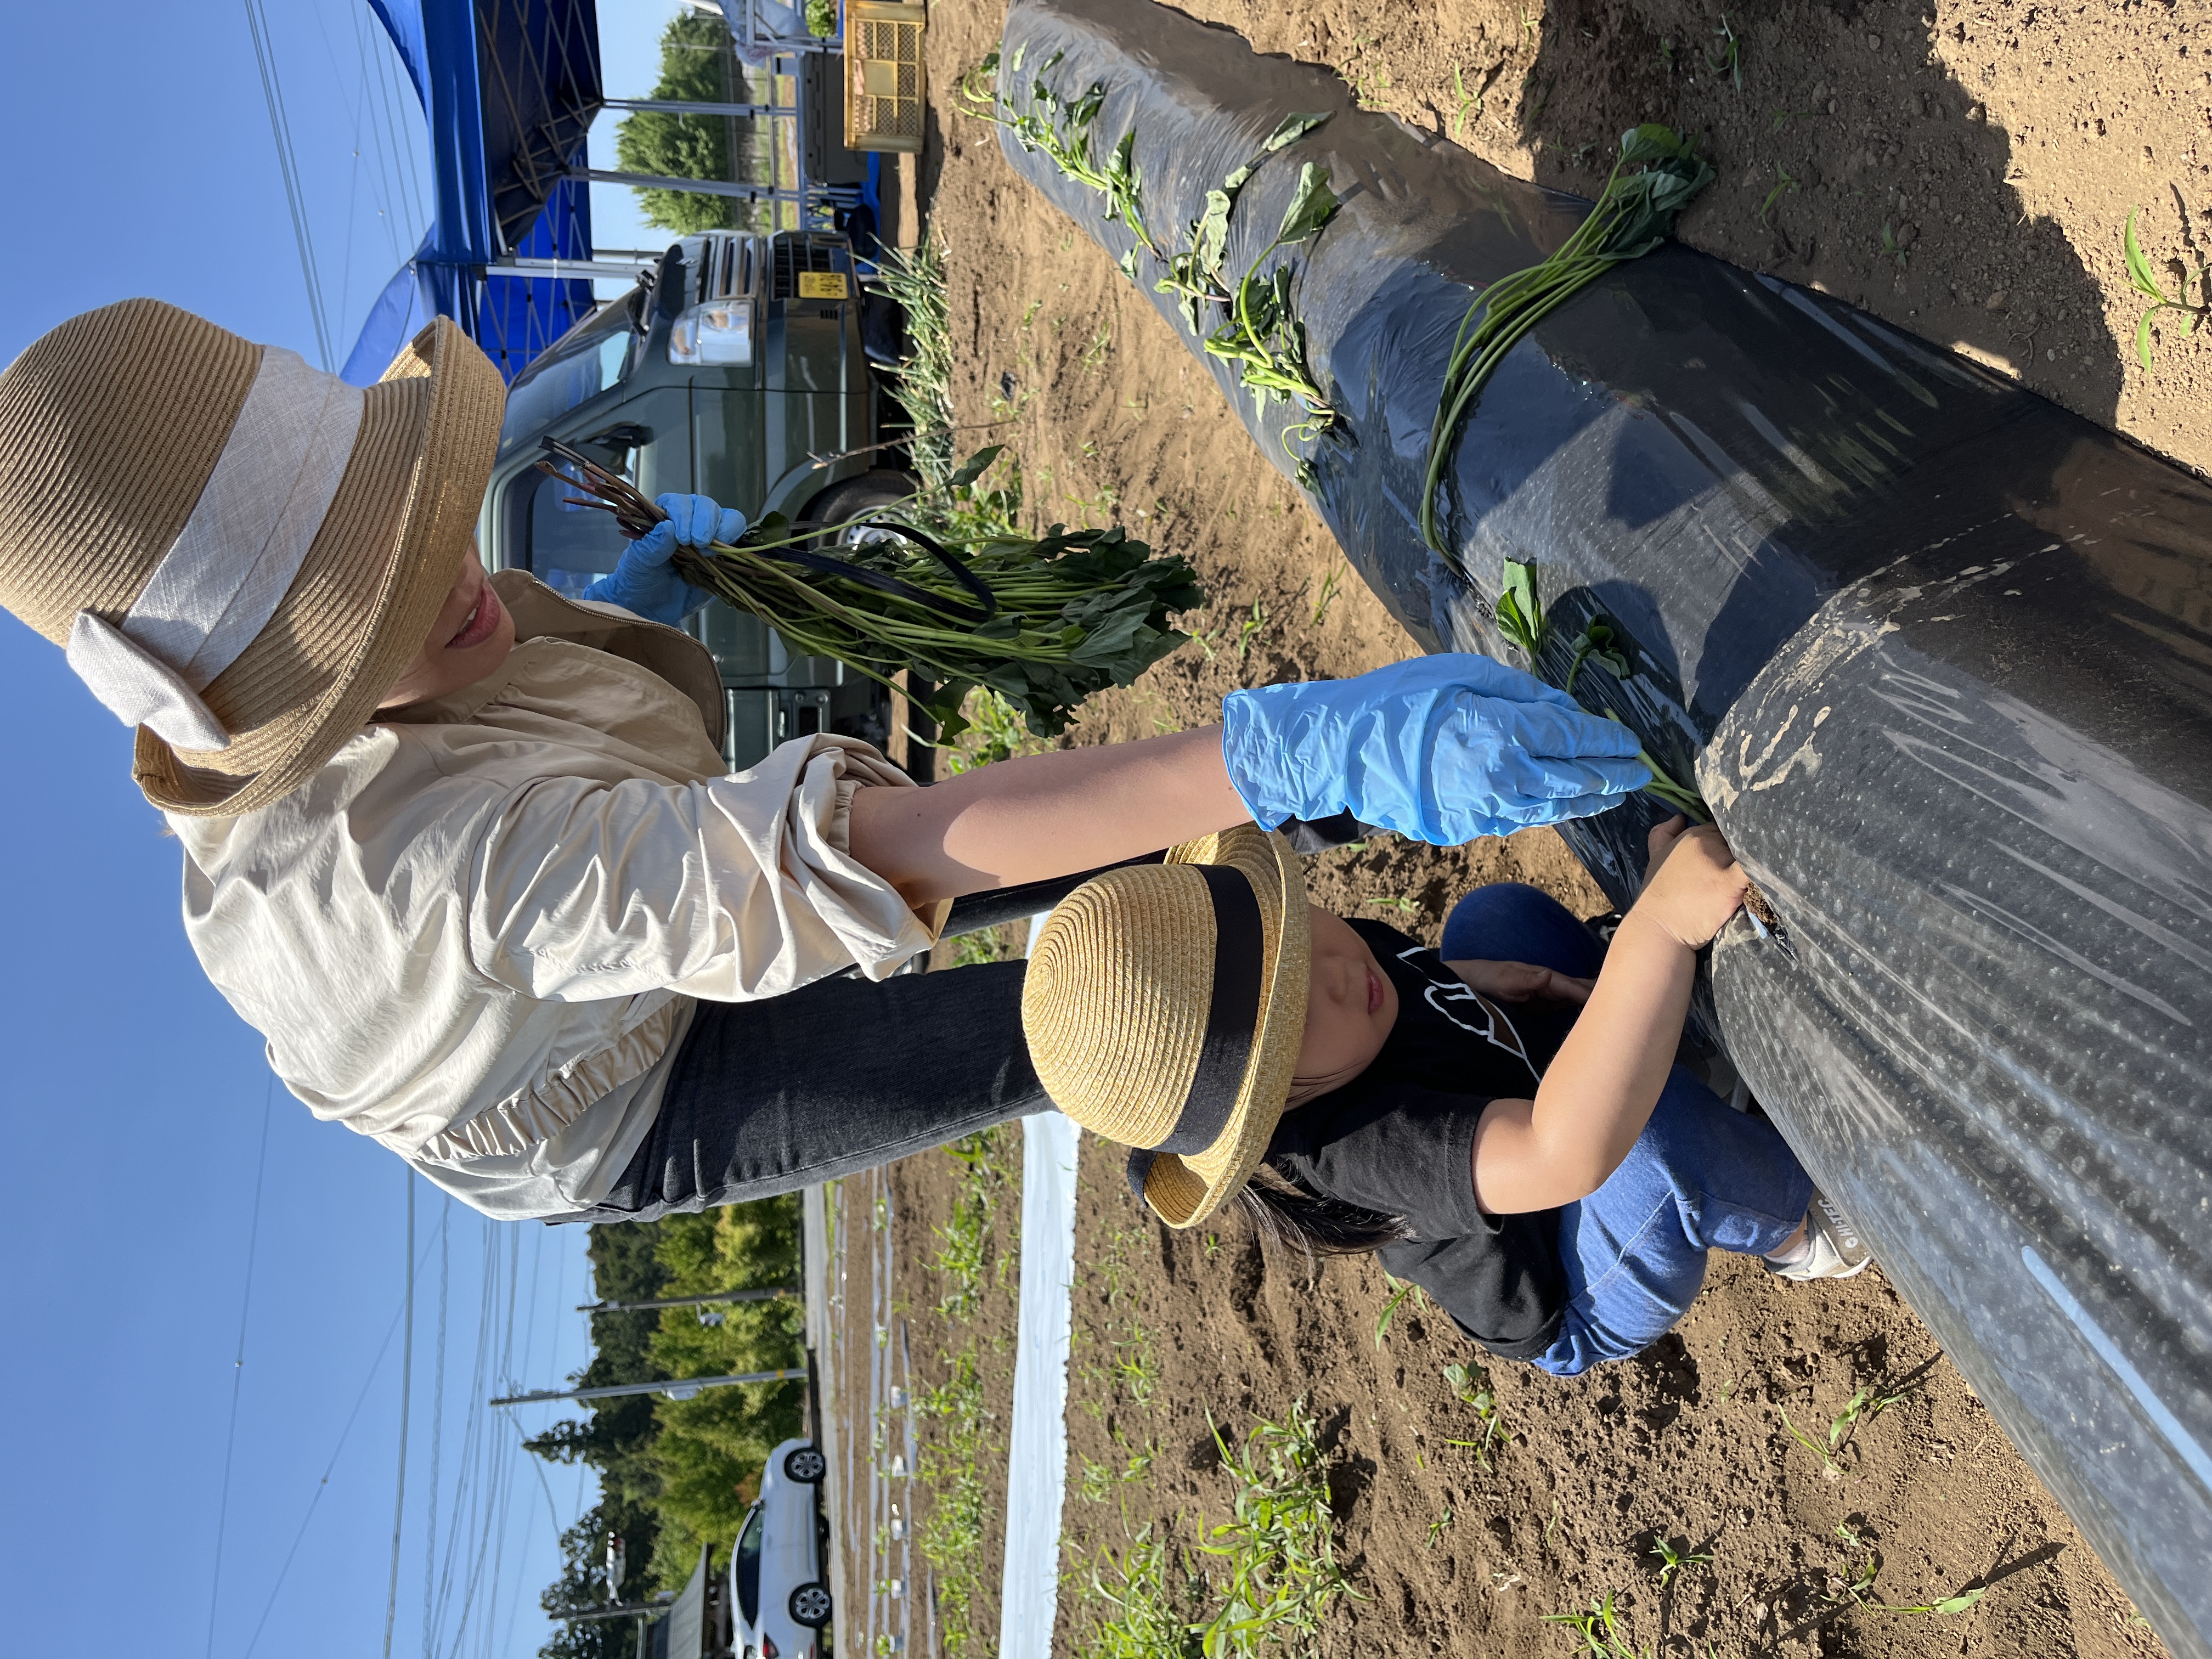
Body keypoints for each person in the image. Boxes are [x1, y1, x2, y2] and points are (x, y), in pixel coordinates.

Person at [0, 301, 1655, 1221]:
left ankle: (1483, 1004)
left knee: (1120, 861)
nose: (450, 569)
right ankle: (1512, 1171)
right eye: (376, 604)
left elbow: (556, 724)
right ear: (294, 700)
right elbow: (869, 857)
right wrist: (1292, 750)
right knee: (1107, 1024)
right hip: (614, 1101)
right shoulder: (412, 884)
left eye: (413, 512)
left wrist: (635, 606)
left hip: (588, 915)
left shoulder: (408, 653)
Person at [1019, 818, 1871, 1376]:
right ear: (1268, 1110)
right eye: (1292, 1016)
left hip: (1521, 1090)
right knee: (1644, 1147)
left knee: (1489, 919)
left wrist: (1468, 978)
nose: (1342, 976)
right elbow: (1564, 1152)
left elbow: (1413, 976)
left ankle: (1685, 1057)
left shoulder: (1344, 985)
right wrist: (1658, 922)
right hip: (1574, 1266)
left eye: (1299, 932)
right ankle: (1804, 1225)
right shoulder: (1363, 1147)